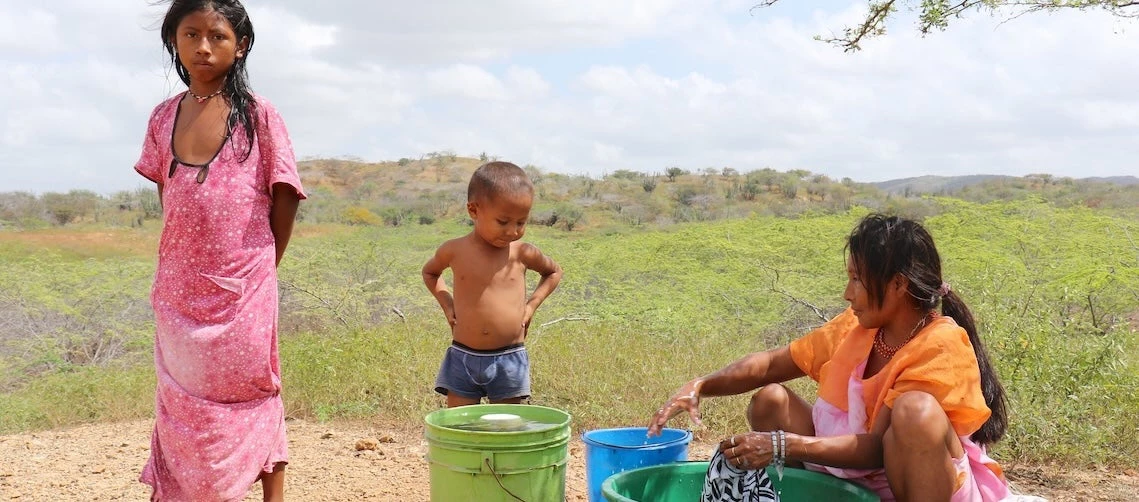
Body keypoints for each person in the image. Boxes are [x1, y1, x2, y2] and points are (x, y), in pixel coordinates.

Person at [648, 214, 1014, 502]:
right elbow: (772, 365)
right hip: (850, 473)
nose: (847, 293)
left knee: (914, 411)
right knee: (770, 400)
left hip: (913, 482)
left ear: (899, 285)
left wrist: (780, 445)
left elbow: (875, 450)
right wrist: (702, 385)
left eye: (857, 280)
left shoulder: (940, 344)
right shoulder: (855, 328)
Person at [133, 1, 305, 500]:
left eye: (217, 36)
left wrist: (261, 269)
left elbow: (286, 193)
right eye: (190, 35)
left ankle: (272, 493)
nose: (203, 47)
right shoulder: (163, 117)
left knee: (251, 387)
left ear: (241, 45)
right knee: (181, 397)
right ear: (175, 42)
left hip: (244, 287)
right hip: (178, 288)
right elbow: (171, 196)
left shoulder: (260, 116)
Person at [422, 161, 563, 408]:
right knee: (460, 425)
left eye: (521, 222)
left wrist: (530, 307)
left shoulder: (523, 253)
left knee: (506, 426)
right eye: (503, 221)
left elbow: (553, 272)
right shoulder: (454, 250)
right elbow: (430, 273)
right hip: (463, 355)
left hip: (509, 358)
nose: (513, 231)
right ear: (474, 210)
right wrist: (447, 304)